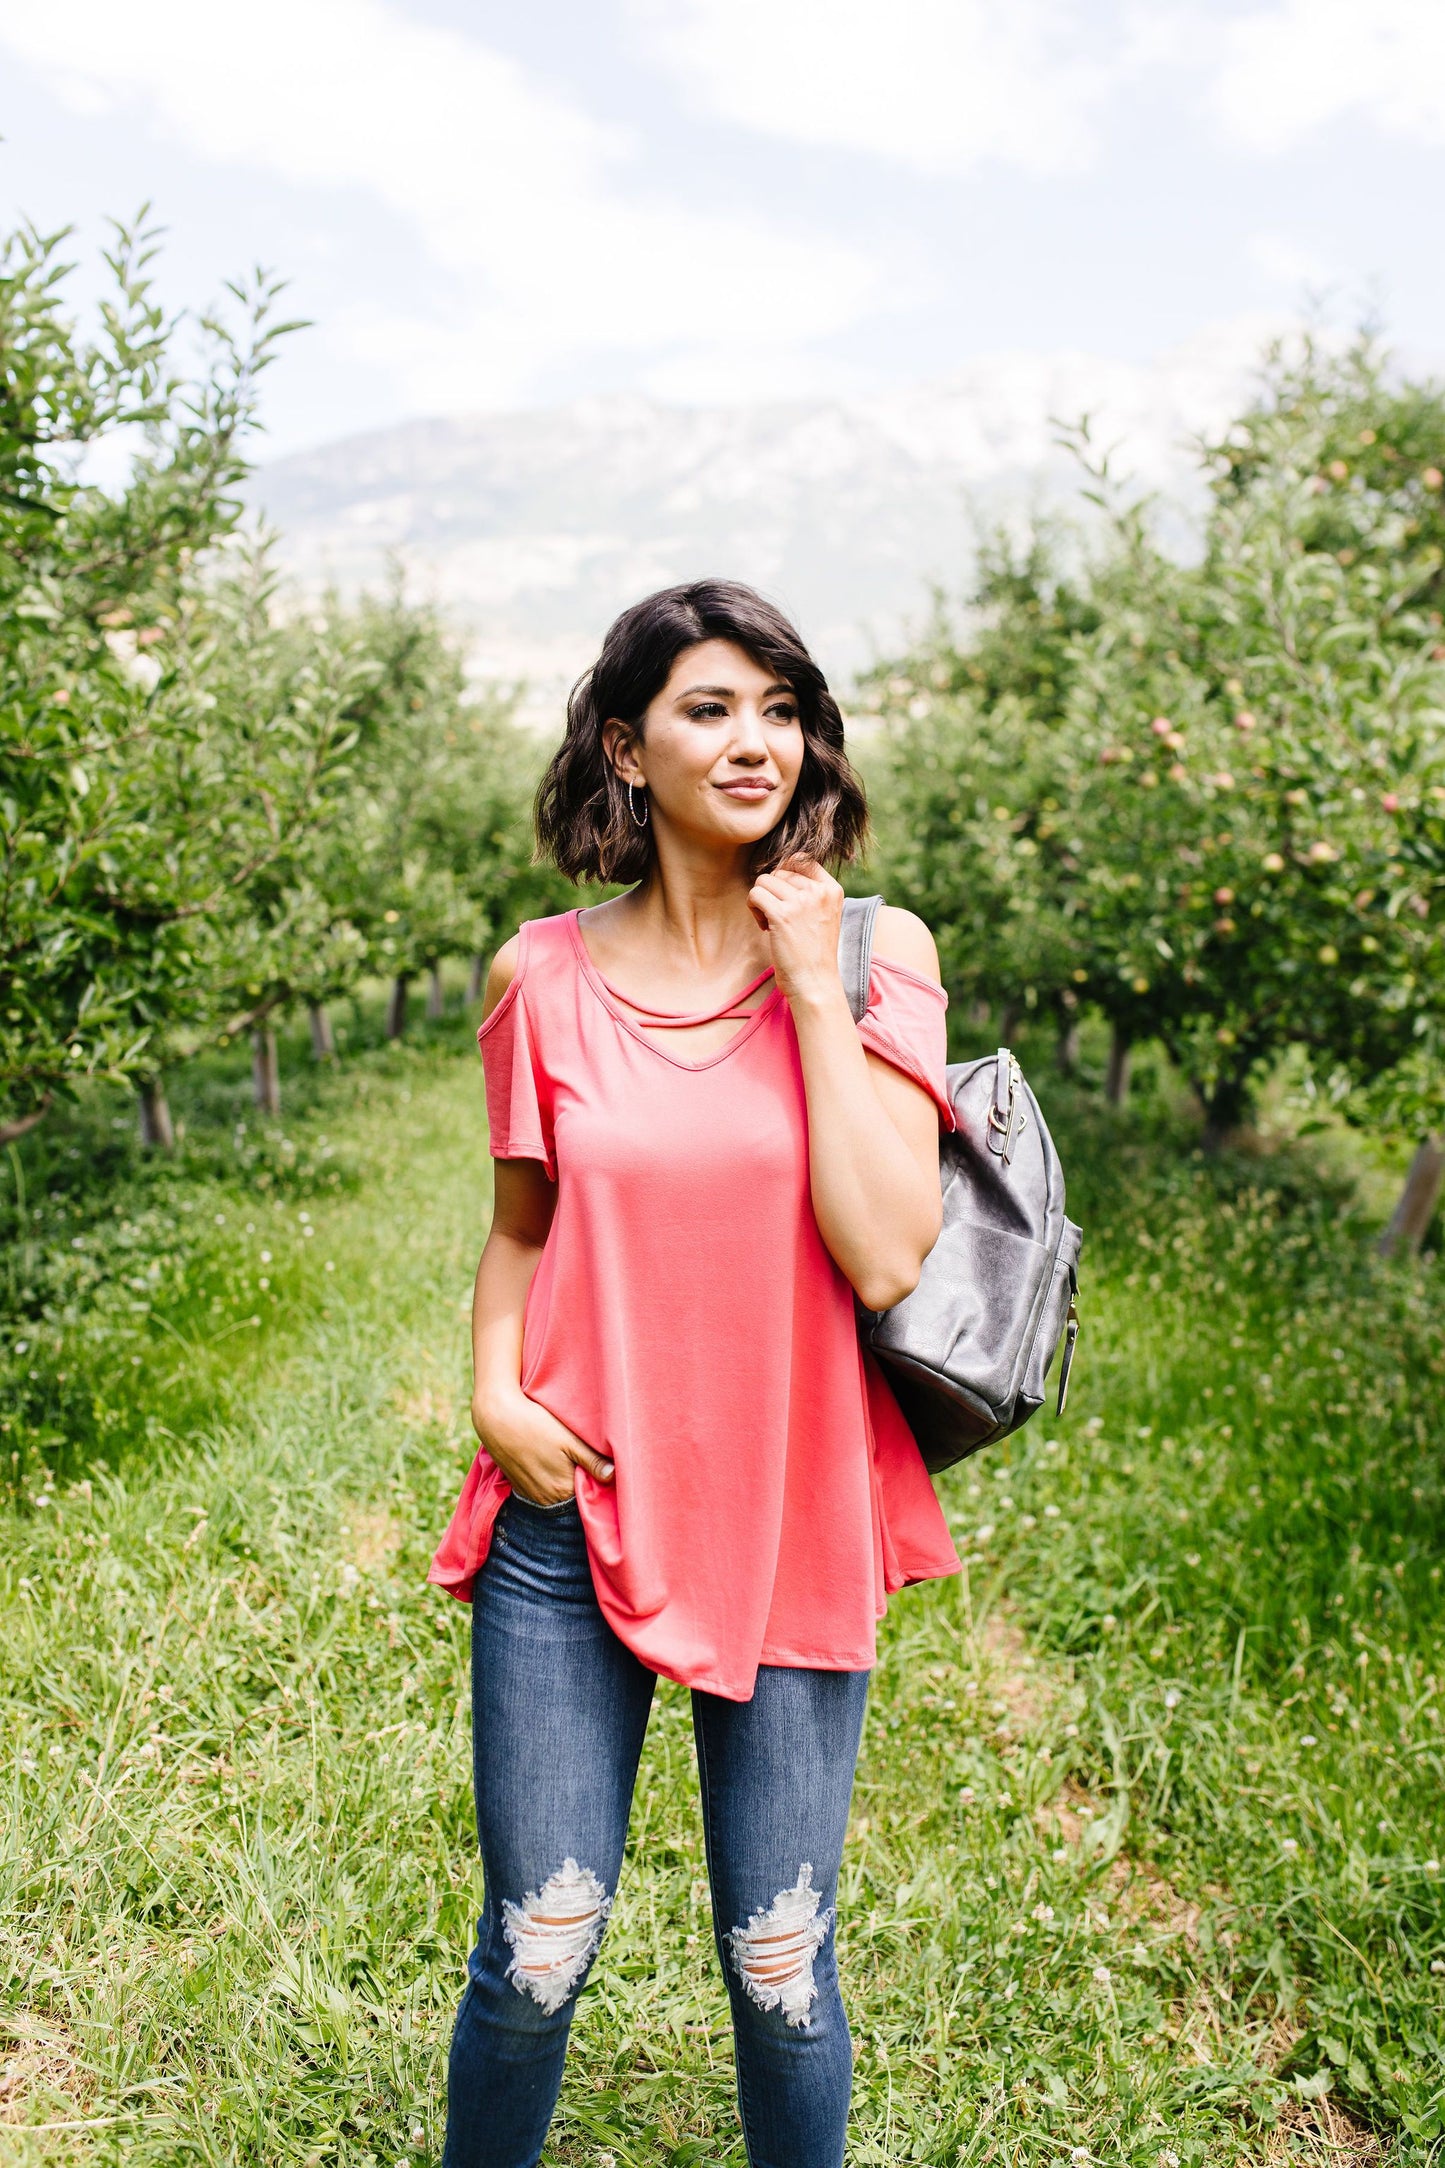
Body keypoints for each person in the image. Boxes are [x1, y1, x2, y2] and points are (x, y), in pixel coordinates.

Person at [430, 579, 961, 2168]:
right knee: (538, 1944)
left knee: (780, 1970)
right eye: (709, 708)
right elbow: (521, 1225)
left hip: (793, 1511)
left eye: (780, 710)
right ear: (626, 745)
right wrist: (492, 1392)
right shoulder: (540, 975)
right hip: (570, 1513)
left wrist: (807, 985)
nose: (754, 742)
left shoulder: (878, 954)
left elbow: (885, 1255)